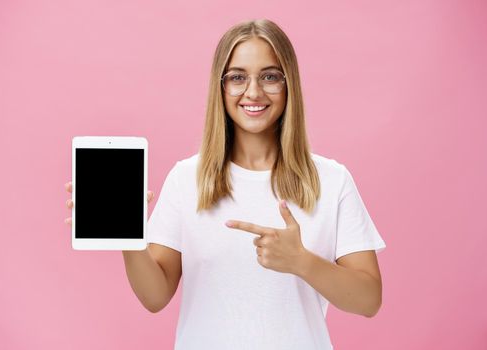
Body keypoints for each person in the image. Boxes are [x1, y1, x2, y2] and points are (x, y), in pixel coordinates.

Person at [65, 18, 386, 350]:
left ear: (289, 85)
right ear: (220, 87)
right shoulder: (186, 179)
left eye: (270, 76)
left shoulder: (332, 181)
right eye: (237, 77)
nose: (253, 91)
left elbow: (368, 300)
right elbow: (155, 296)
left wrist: (301, 261)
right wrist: (128, 236)